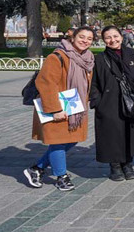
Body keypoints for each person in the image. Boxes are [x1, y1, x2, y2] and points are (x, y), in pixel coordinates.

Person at [24, 26, 95, 191]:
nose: (85, 41)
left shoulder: (88, 58)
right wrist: (54, 109)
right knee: (58, 142)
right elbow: (45, 82)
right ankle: (61, 177)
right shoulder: (57, 57)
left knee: (71, 139)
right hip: (57, 106)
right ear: (73, 37)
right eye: (82, 37)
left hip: (75, 106)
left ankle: (37, 168)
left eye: (89, 39)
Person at [89, 26, 134, 181]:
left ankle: (127, 164)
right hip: (110, 104)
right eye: (108, 37)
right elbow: (93, 84)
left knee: (129, 134)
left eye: (115, 36)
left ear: (121, 36)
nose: (112, 40)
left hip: (133, 102)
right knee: (113, 135)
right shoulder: (100, 59)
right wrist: (98, 102)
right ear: (103, 40)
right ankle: (115, 166)